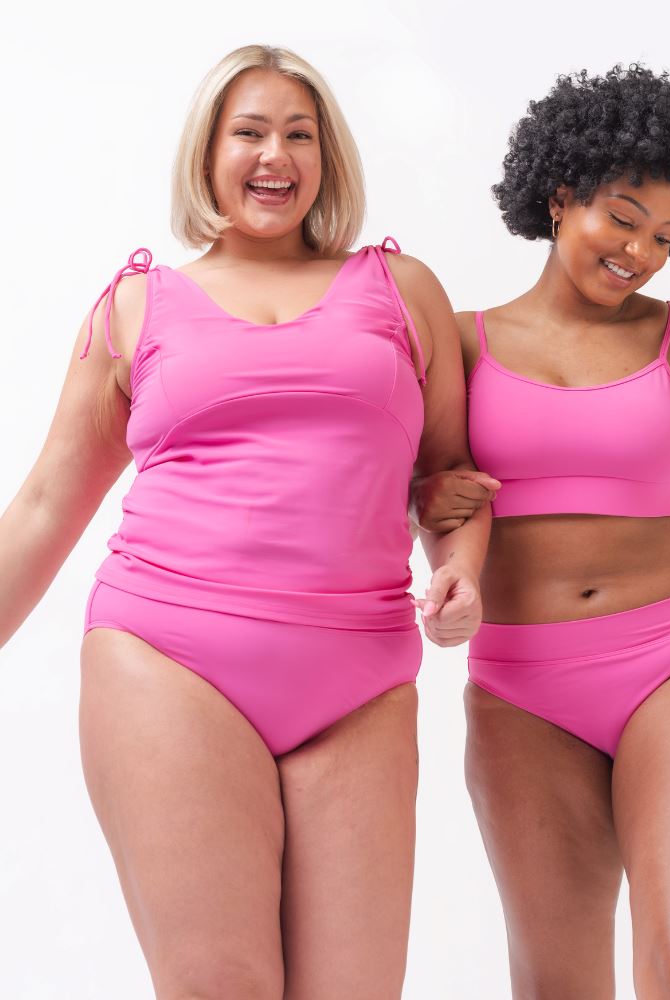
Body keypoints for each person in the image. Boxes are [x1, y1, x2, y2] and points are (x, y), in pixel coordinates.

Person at [0, 44, 489, 999]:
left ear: (328, 156)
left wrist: (461, 567)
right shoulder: (136, 305)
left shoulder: (402, 290)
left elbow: (449, 475)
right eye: (250, 132)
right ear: (209, 153)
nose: (276, 155)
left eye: (299, 134)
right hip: (169, 662)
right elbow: (49, 502)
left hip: (361, 675)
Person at [412, 65, 670, 998]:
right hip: (522, 684)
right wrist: (435, 530)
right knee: (558, 984)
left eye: (666, 236)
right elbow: (431, 490)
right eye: (622, 219)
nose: (641, 253)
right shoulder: (460, 344)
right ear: (558, 196)